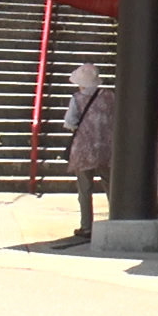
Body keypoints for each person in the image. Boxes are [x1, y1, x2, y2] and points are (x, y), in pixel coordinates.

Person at [62, 63, 112, 238]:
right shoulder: (110, 96)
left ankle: (86, 226)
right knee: (110, 184)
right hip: (106, 147)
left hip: (83, 149)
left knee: (85, 189)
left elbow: (69, 122)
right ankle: (115, 219)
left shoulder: (77, 99)